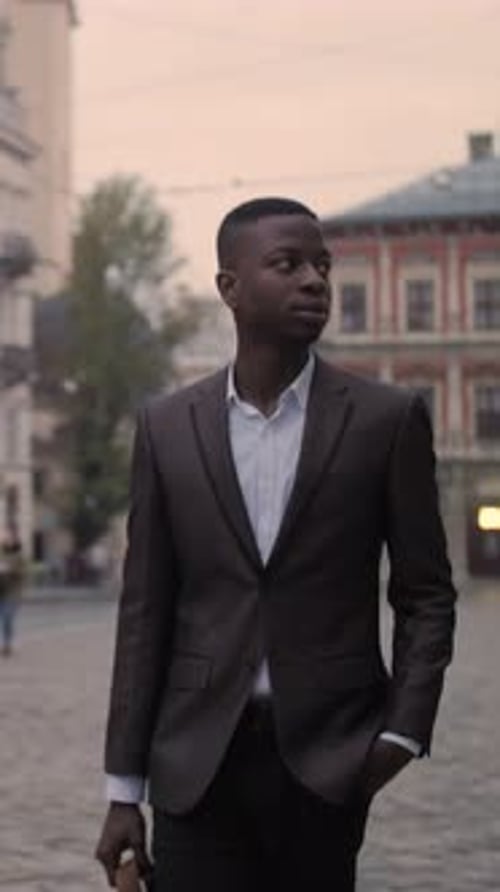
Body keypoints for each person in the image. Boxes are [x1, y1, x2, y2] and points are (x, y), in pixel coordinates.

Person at [96, 197, 457, 891]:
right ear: (229, 287)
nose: (315, 281)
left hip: (330, 759)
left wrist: (399, 736)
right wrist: (122, 788)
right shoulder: (168, 428)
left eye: (321, 265)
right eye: (287, 264)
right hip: (195, 765)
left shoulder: (387, 420)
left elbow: (426, 594)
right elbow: (145, 612)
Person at [0, 534, 25, 657]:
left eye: (10, 539)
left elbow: (22, 573)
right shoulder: (1, 555)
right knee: (4, 619)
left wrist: (8, 570)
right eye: (5, 539)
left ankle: (7, 644)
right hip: (1, 592)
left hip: (13, 593)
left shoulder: (19, 557)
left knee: (6, 618)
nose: (6, 541)